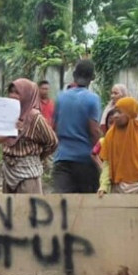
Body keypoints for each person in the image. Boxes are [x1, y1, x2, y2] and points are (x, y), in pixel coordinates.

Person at [97, 98, 138, 253]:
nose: (115, 116)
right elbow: (107, 165)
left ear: (130, 113)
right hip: (119, 190)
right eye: (114, 112)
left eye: (120, 112)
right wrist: (103, 186)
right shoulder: (110, 137)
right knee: (121, 229)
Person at [52, 59, 102, 193]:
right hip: (85, 160)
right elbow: (94, 131)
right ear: (92, 77)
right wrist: (100, 155)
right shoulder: (93, 99)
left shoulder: (60, 97)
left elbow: (54, 128)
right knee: (86, 207)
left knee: (62, 207)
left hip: (62, 159)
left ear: (74, 75)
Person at [1, 79, 57, 194]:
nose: (12, 96)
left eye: (17, 93)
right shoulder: (8, 114)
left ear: (27, 95)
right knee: (9, 210)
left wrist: (37, 157)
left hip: (28, 174)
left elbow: (52, 142)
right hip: (8, 172)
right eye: (11, 92)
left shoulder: (34, 118)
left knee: (28, 210)